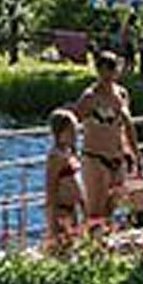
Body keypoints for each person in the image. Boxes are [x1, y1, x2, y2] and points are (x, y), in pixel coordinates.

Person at [72, 51, 140, 221]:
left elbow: (127, 127)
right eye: (103, 70)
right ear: (98, 70)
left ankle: (104, 243)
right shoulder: (90, 97)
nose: (108, 74)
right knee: (94, 211)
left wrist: (135, 154)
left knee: (111, 207)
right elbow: (73, 122)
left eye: (112, 69)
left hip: (117, 158)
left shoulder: (122, 94)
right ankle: (90, 243)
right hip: (95, 157)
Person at [44, 108, 86, 252]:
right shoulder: (56, 157)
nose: (76, 134)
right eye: (72, 131)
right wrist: (52, 220)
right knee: (62, 248)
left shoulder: (70, 153)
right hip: (62, 209)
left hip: (73, 208)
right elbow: (51, 188)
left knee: (74, 245)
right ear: (61, 132)